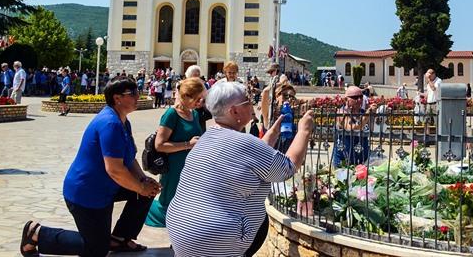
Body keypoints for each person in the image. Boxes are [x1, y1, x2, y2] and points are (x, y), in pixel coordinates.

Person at [166, 81, 314, 257]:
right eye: (247, 101)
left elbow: (255, 155)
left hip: (182, 229)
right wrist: (304, 131)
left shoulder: (208, 137)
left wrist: (274, 131)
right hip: (213, 238)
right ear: (234, 111)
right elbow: (288, 167)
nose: (252, 105)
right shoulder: (244, 143)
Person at [20, 78, 161, 257]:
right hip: (86, 193)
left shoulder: (123, 121)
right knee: (96, 250)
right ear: (117, 98)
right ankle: (38, 233)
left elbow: (129, 158)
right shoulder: (110, 124)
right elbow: (115, 170)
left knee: (145, 193)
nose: (138, 96)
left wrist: (143, 180)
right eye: (132, 93)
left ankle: (119, 239)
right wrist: (140, 187)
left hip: (105, 187)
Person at [145, 77, 204, 227]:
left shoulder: (194, 114)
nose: (199, 103)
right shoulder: (171, 115)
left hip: (191, 166)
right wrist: (188, 145)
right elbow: (160, 145)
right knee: (169, 201)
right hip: (174, 167)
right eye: (197, 99)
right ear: (185, 96)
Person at [332, 86, 377, 167]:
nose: (359, 100)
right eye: (355, 97)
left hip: (362, 156)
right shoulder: (341, 113)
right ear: (346, 99)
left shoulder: (363, 112)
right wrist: (367, 115)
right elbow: (351, 129)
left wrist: (372, 116)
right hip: (344, 158)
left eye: (361, 97)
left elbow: (371, 129)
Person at [260, 63, 280, 128]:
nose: (270, 74)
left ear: (276, 71)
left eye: (271, 72)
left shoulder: (280, 79)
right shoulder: (273, 80)